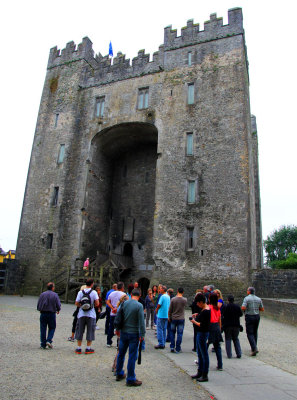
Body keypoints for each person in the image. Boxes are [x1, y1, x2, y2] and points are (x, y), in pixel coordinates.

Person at [115, 288, 145, 386]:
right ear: (139, 296)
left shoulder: (124, 303)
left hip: (124, 332)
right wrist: (142, 334)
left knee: (121, 353)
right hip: (134, 334)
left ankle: (119, 373)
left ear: (131, 294)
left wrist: (118, 329)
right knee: (132, 356)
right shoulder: (139, 305)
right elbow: (141, 321)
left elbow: (119, 316)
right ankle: (131, 378)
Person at [74, 278, 99, 354]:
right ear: (92, 284)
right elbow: (97, 303)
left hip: (81, 314)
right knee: (90, 330)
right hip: (91, 314)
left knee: (80, 330)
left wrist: (82, 306)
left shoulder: (80, 292)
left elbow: (76, 303)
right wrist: (91, 306)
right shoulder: (94, 292)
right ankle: (88, 348)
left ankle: (79, 348)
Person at [190, 292, 211, 382]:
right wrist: (197, 315)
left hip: (202, 333)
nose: (197, 305)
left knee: (204, 354)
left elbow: (202, 324)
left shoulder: (206, 311)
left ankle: (204, 374)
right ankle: (200, 372)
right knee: (200, 353)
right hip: (201, 333)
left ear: (201, 302)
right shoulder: (204, 309)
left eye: (198, 303)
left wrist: (194, 321)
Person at [37, 282, 61, 349]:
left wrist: (40, 309)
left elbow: (39, 303)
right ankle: (49, 340)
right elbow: (58, 304)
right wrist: (58, 309)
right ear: (52, 288)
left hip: (43, 313)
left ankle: (43, 344)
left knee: (43, 328)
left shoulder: (42, 294)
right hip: (51, 313)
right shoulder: (55, 295)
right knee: (52, 327)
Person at [241, 286, 264, 356]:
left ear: (249, 291)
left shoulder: (246, 298)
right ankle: (254, 346)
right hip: (257, 316)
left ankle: (254, 348)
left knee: (249, 333)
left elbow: (243, 307)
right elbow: (262, 309)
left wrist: (248, 309)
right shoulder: (258, 299)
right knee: (255, 332)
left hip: (249, 316)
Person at [106, 282, 125, 347]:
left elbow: (107, 302)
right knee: (119, 328)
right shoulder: (123, 294)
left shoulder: (112, 293)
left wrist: (113, 308)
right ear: (122, 287)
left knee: (111, 327)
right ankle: (118, 343)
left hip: (112, 313)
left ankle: (109, 342)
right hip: (120, 314)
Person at [168, 287, 187, 353]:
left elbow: (170, 310)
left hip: (174, 318)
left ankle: (172, 346)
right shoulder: (185, 300)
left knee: (172, 332)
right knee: (180, 334)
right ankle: (178, 347)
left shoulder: (173, 299)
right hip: (181, 318)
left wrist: (169, 317)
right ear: (183, 292)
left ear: (177, 291)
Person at [208, 293, 223, 371]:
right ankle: (220, 365)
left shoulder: (209, 308)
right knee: (217, 347)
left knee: (205, 346)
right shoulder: (217, 308)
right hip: (216, 327)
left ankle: (201, 362)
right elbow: (220, 320)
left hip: (210, 327)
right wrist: (219, 329)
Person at [154, 285, 170, 349]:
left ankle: (161, 343)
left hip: (161, 315)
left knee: (160, 329)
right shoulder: (168, 296)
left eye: (160, 289)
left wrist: (156, 310)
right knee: (164, 329)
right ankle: (163, 343)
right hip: (166, 315)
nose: (160, 290)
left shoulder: (162, 296)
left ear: (163, 290)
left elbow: (159, 304)